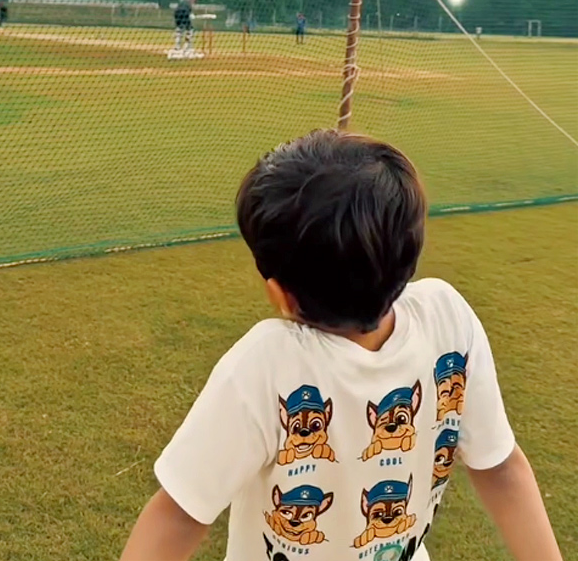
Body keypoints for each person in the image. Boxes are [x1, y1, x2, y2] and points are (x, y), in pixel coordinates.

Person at [121, 130, 563, 561]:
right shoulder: (449, 319)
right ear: (410, 253)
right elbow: (503, 472)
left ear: (280, 294)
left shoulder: (267, 363)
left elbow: (180, 515)